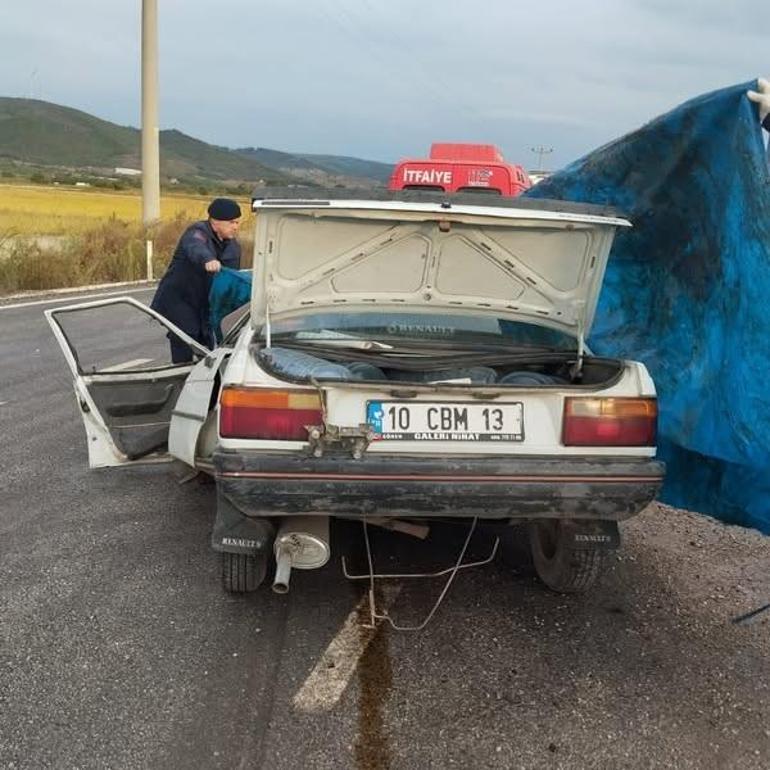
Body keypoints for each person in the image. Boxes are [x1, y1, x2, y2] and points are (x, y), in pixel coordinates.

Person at [151, 197, 242, 363]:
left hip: (204, 303)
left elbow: (231, 275)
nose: (235, 227)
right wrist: (208, 260)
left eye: (237, 222)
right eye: (231, 222)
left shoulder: (232, 246)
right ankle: (180, 372)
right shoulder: (197, 232)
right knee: (186, 335)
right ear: (215, 221)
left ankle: (203, 375)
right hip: (179, 298)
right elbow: (195, 247)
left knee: (206, 341)